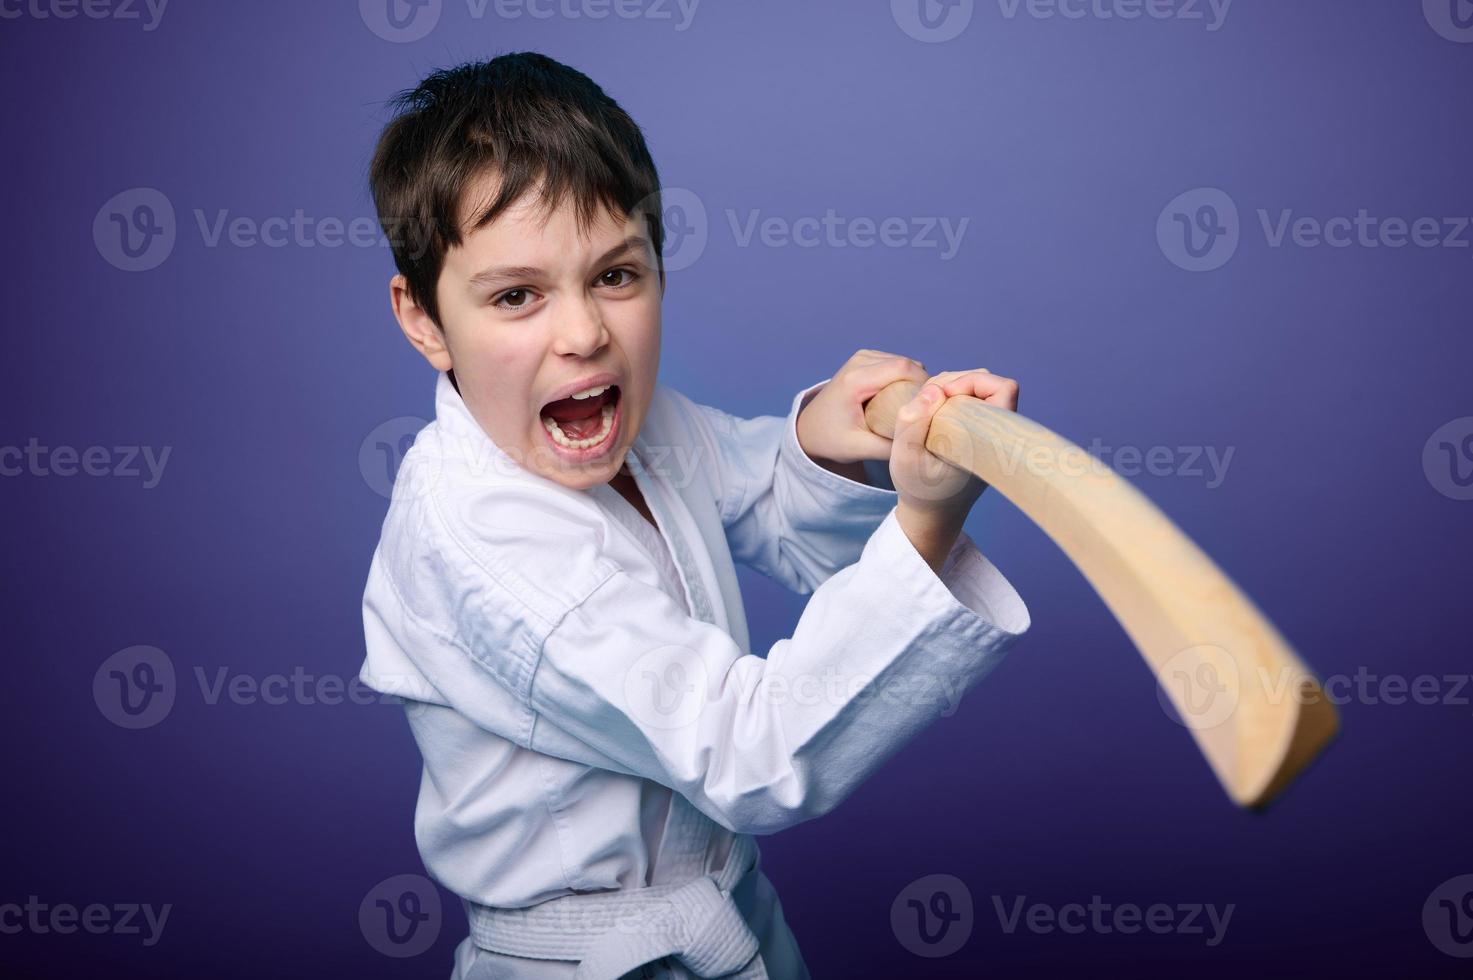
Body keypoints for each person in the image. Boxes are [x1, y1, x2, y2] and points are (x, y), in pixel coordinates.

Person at [358, 51, 1030, 979]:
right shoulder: (478, 534)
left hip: (729, 920)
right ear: (424, 318)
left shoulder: (644, 424)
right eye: (516, 296)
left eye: (617, 276)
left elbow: (766, 500)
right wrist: (927, 520)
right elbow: (747, 749)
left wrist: (835, 442)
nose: (584, 333)